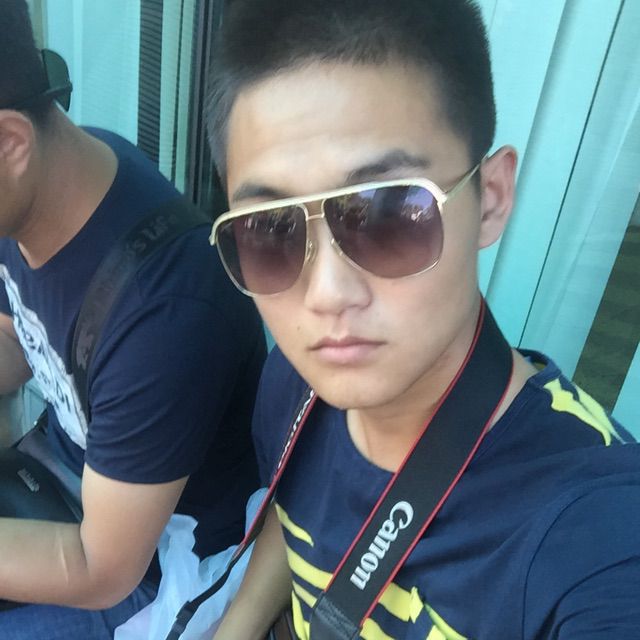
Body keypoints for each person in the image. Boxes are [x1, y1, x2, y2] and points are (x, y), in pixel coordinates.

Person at [204, 0, 640, 638]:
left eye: (387, 212)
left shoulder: (593, 538)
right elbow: (293, 523)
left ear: (490, 199)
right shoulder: (292, 389)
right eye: (270, 229)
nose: (326, 294)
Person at [0, 1, 265, 637]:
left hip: (159, 562)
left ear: (10, 144)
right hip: (69, 474)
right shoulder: (41, 192)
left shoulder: (166, 313)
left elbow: (101, 569)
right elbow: (17, 341)